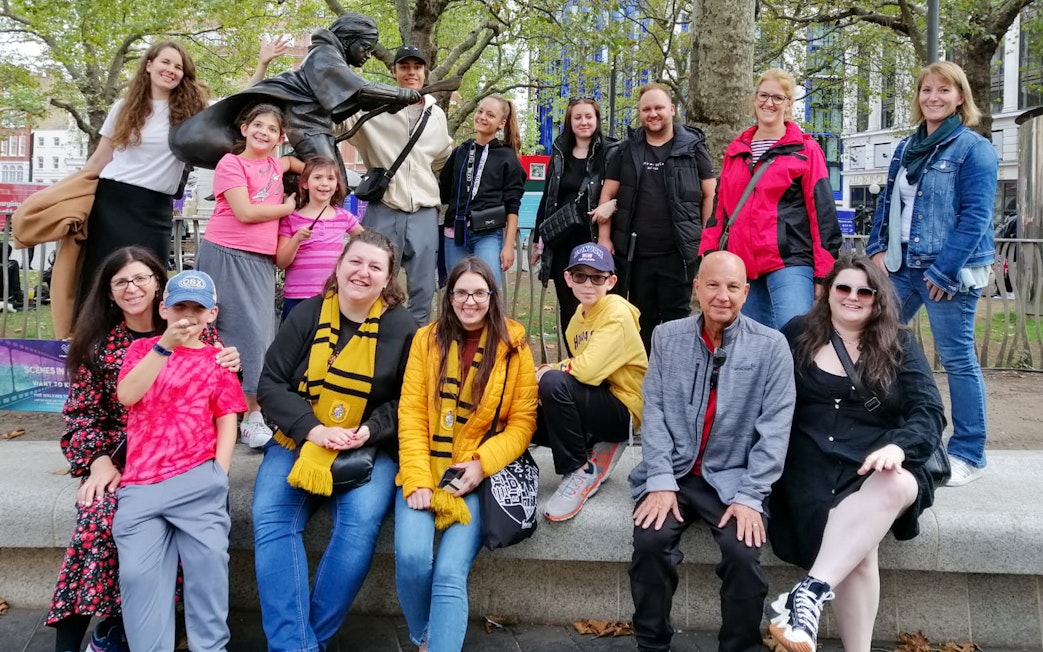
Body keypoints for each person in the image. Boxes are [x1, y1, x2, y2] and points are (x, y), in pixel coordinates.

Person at [46, 247, 239, 652]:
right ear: (110, 292)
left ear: (157, 286)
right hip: (118, 458)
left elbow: (222, 394)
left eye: (141, 279)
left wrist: (218, 471)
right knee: (98, 518)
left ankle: (166, 630)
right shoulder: (100, 343)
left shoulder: (197, 324)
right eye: (121, 282)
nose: (132, 288)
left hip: (190, 459)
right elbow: (82, 415)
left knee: (202, 547)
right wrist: (99, 464)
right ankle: (82, 635)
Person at [766, 255, 945, 652]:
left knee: (897, 483)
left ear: (877, 299)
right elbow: (763, 393)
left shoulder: (898, 343)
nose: (853, 297)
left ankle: (808, 594)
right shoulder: (797, 334)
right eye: (843, 287)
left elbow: (929, 412)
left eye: (864, 291)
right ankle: (816, 604)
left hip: (874, 461)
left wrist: (898, 447)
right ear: (828, 291)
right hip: (809, 464)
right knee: (861, 553)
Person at [254, 230, 417, 651]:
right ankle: (296, 646)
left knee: (359, 524)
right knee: (271, 519)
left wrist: (369, 430)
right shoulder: (307, 314)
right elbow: (270, 384)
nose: (363, 273)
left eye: (375, 267)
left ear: (388, 281)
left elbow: (409, 399)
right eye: (356, 262)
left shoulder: (402, 328)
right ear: (339, 265)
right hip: (300, 439)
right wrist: (313, 429)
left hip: (367, 446)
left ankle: (311, 638)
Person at [628, 250, 795, 652]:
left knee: (743, 553)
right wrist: (661, 480)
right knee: (650, 542)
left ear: (746, 291)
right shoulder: (667, 337)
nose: (723, 296)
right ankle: (651, 644)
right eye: (714, 285)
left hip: (735, 476)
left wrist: (752, 495)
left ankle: (739, 647)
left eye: (733, 287)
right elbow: (655, 413)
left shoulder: (771, 346)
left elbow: (774, 431)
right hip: (677, 472)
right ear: (697, 288)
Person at [395, 255, 538, 652]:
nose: (470, 301)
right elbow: (410, 413)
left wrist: (481, 464)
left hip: (475, 473)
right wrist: (419, 478)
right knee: (410, 558)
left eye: (479, 293)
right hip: (424, 465)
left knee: (448, 572)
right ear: (449, 296)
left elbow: (522, 422)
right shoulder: (426, 339)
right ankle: (424, 636)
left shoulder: (513, 343)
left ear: (492, 296)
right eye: (461, 292)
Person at [865, 61, 997, 487]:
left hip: (948, 271)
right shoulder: (907, 148)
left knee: (957, 358)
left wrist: (945, 271)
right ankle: (884, 433)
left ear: (961, 97)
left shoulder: (973, 149)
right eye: (926, 90)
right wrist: (878, 250)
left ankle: (968, 453)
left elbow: (976, 216)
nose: (933, 97)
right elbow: (888, 204)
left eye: (944, 90)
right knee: (875, 342)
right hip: (902, 267)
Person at [112, 270, 247, 652]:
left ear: (212, 314)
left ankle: (210, 647)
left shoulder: (218, 361)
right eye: (180, 307)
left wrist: (218, 472)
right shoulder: (142, 351)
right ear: (164, 310)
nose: (188, 315)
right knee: (138, 575)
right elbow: (127, 395)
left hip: (197, 478)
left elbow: (227, 417)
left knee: (208, 572)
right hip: (142, 482)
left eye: (197, 308)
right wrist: (163, 348)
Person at [169, 14, 421, 180]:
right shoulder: (324, 55)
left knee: (336, 182)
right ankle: (279, 177)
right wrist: (400, 94)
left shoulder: (330, 56)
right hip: (306, 125)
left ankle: (281, 177)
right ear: (348, 40)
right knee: (327, 179)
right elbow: (360, 90)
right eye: (365, 47)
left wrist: (391, 101)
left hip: (316, 126)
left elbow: (348, 102)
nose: (367, 55)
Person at [699, 68, 842, 330]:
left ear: (788, 104)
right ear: (754, 100)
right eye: (763, 95)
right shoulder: (735, 151)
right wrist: (708, 255)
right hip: (741, 263)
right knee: (751, 344)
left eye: (778, 97)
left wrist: (824, 274)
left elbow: (822, 214)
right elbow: (719, 212)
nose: (769, 103)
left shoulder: (805, 150)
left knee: (795, 337)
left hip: (789, 261)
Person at [195, 104, 303, 449]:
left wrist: (322, 177)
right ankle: (235, 414)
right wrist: (288, 208)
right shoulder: (231, 164)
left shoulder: (276, 163)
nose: (264, 133)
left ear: (280, 138)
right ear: (244, 128)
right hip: (226, 253)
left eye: (272, 129)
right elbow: (246, 211)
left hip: (260, 261)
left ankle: (249, 413)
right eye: (258, 125)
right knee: (226, 331)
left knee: (260, 334)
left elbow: (306, 166)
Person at [76, 41, 209, 313]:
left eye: (178, 66)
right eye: (165, 62)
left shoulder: (189, 114)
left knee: (149, 282)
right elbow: (100, 158)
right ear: (149, 65)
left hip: (156, 209)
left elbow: (229, 113)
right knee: (105, 279)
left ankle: (144, 349)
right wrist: (71, 192)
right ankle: (93, 346)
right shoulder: (123, 107)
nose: (171, 70)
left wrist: (262, 65)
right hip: (112, 202)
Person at [593, 82, 717, 353]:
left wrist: (707, 240)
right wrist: (604, 239)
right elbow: (608, 193)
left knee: (678, 322)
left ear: (671, 109)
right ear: (639, 113)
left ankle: (675, 383)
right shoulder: (625, 151)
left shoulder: (693, 148)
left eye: (659, 107)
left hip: (678, 253)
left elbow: (710, 194)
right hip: (636, 256)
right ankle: (643, 387)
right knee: (642, 321)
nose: (653, 114)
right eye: (646, 109)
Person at [534, 243, 647, 521]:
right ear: (567, 278)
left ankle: (580, 471)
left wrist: (547, 369)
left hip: (624, 409)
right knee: (526, 416)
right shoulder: (576, 321)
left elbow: (585, 371)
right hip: (598, 398)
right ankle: (592, 447)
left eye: (597, 277)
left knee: (552, 382)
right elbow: (583, 377)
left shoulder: (617, 313)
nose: (588, 284)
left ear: (611, 281)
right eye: (580, 276)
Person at [345, 45, 453, 325]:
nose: (411, 72)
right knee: (375, 281)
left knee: (423, 289)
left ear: (424, 72)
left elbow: (442, 156)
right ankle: (371, 341)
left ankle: (416, 349)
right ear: (393, 71)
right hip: (384, 208)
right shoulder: (372, 107)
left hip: (424, 212)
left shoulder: (436, 114)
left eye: (417, 67)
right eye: (404, 67)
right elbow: (338, 123)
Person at [531, 97, 617, 329]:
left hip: (594, 239)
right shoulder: (560, 152)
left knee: (598, 305)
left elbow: (627, 190)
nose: (583, 122)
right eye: (577, 117)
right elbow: (548, 197)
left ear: (597, 120)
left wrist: (614, 203)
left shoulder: (611, 152)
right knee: (568, 307)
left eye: (588, 116)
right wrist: (538, 241)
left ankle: (597, 360)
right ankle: (574, 362)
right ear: (569, 122)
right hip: (562, 242)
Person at [440, 96, 527, 286]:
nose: (482, 117)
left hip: (487, 233)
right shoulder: (460, 151)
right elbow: (443, 191)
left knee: (488, 288)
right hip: (455, 232)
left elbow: (513, 204)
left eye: (490, 115)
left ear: (501, 123)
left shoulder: (507, 157)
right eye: (480, 111)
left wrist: (508, 245)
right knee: (457, 290)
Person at [276, 155, 364, 321]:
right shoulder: (291, 218)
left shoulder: (344, 217)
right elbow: (281, 261)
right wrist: (296, 239)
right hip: (297, 296)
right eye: (317, 177)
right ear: (304, 183)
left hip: (332, 295)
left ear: (337, 186)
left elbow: (365, 240)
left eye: (330, 178)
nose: (324, 183)